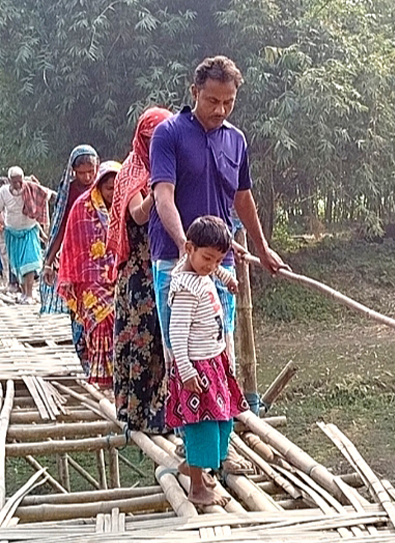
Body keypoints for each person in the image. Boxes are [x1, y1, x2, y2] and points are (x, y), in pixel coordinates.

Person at [149, 56, 287, 369]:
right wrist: (188, 247)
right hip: (175, 260)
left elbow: (242, 197)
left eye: (228, 102)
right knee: (181, 358)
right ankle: (186, 418)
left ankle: (223, 418)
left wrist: (262, 249)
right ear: (194, 91)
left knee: (221, 356)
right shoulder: (168, 134)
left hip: (219, 263)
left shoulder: (236, 140)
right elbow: (163, 196)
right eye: (212, 100)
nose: (220, 110)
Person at [166, 216, 249, 507]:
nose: (212, 265)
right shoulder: (186, 288)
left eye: (218, 260)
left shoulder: (201, 272)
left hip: (213, 362)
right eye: (208, 258)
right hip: (197, 367)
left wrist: (227, 277)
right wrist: (186, 371)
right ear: (189, 248)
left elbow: (215, 274)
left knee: (223, 419)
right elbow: (176, 333)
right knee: (203, 425)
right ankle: (197, 487)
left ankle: (194, 466)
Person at [107, 107, 172, 434]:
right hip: (139, 273)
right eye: (152, 138)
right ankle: (137, 412)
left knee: (168, 338)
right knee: (142, 338)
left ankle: (165, 412)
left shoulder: (174, 162)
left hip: (168, 263)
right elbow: (138, 215)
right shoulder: (131, 172)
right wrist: (159, 192)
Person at [56, 161, 121, 387]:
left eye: (116, 187)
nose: (113, 193)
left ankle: (118, 375)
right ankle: (101, 376)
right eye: (108, 188)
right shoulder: (81, 209)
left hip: (120, 277)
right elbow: (72, 247)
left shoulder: (129, 206)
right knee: (100, 323)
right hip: (89, 281)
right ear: (99, 187)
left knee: (118, 322)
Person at [42, 145, 99, 361]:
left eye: (90, 171)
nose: (87, 177)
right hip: (76, 259)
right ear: (72, 171)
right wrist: (49, 262)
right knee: (80, 307)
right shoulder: (68, 193)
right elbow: (61, 227)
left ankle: (102, 357)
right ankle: (85, 354)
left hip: (102, 259)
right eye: (81, 172)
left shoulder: (105, 185)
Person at [0, 166, 53, 304]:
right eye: (15, 182)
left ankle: (29, 294)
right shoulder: (3, 192)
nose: (18, 185)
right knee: (18, 265)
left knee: (29, 262)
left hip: (29, 230)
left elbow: (47, 194)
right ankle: (24, 293)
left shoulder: (31, 188)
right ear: (9, 181)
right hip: (11, 232)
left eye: (20, 181)